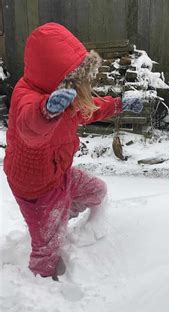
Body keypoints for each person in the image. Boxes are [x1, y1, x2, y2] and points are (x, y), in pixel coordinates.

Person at [4, 23, 143, 280]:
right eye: (76, 80)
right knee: (48, 250)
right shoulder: (27, 96)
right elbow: (29, 127)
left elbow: (91, 109)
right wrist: (47, 112)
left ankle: (61, 215)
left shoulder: (68, 99)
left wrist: (119, 104)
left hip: (59, 175)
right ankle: (41, 287)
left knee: (97, 191)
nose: (81, 87)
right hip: (36, 189)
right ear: (55, 76)